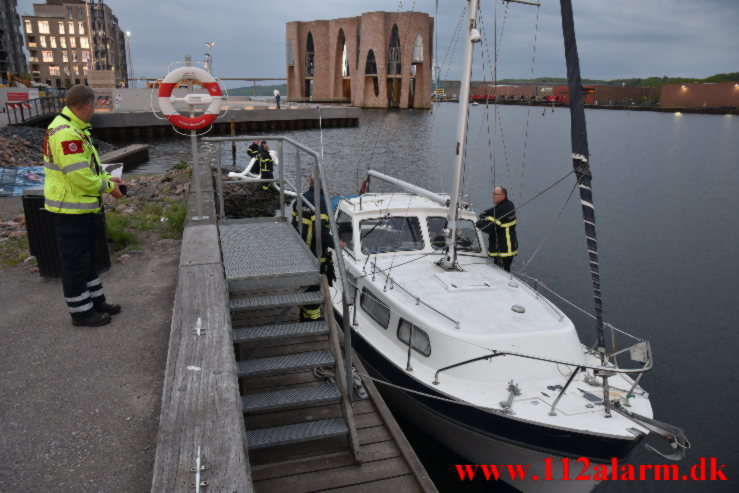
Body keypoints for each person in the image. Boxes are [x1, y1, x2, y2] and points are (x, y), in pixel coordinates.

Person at [43, 85, 125, 327]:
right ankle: (81, 312)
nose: (94, 111)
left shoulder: (74, 129)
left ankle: (95, 302)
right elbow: (80, 177)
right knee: (75, 263)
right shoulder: (67, 133)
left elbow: (89, 170)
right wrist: (108, 188)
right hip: (70, 210)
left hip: (81, 207)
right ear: (88, 105)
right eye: (95, 107)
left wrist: (110, 180)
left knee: (87, 259)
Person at [291, 177, 335, 320]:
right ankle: (312, 319)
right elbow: (320, 232)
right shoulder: (321, 203)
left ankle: (304, 314)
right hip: (315, 254)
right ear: (322, 185)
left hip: (300, 251)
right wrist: (337, 245)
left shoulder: (300, 199)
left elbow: (293, 225)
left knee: (305, 284)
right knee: (314, 287)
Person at [476, 186, 518, 272]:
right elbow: (493, 210)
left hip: (503, 250)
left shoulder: (503, 209)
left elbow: (488, 227)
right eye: (492, 193)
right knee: (503, 273)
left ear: (503, 195)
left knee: (502, 274)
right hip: (506, 249)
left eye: (495, 194)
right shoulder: (508, 205)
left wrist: (477, 223)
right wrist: (486, 212)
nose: (492, 196)